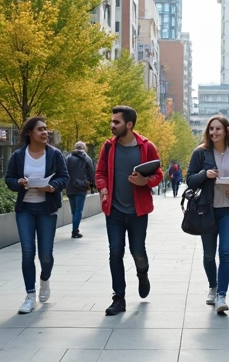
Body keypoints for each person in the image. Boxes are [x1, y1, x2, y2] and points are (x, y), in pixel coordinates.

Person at [95, 105, 163, 316]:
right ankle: (119, 298)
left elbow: (158, 174)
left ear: (129, 124)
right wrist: (103, 188)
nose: (112, 125)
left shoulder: (146, 147)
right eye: (112, 121)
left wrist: (145, 181)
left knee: (137, 251)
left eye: (116, 122)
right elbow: (100, 173)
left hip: (137, 211)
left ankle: (142, 274)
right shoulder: (108, 147)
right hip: (114, 210)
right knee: (115, 252)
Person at [4, 117, 70, 314]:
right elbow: (9, 179)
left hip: (46, 209)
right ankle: (30, 296)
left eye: (46, 129)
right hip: (25, 209)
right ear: (29, 133)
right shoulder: (18, 155)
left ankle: (45, 279)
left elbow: (64, 177)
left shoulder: (54, 154)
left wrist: (52, 186)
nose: (45, 132)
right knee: (27, 252)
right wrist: (19, 183)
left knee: (45, 255)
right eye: (41, 129)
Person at [185, 115, 229, 314]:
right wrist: (205, 174)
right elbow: (190, 179)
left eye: (218, 129)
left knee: (225, 252)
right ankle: (213, 285)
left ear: (226, 130)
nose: (214, 133)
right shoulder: (200, 153)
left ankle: (222, 295)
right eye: (211, 129)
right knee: (209, 255)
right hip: (206, 209)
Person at [65, 141, 96, 239]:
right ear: (84, 148)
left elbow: (64, 172)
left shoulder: (68, 158)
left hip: (70, 187)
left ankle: (75, 229)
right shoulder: (87, 158)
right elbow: (91, 173)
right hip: (82, 187)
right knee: (79, 210)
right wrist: (93, 185)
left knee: (74, 210)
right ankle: (75, 231)